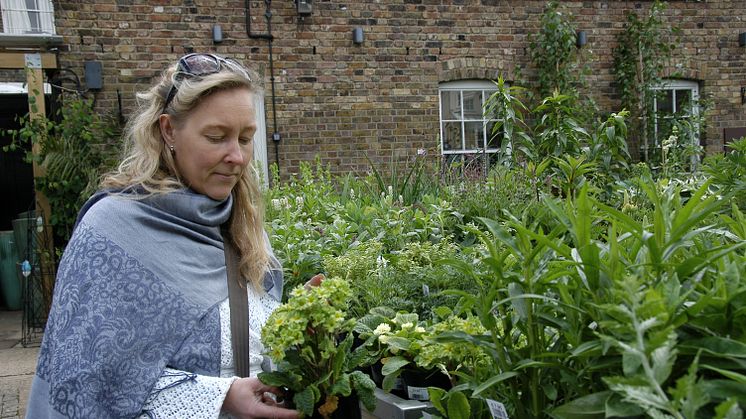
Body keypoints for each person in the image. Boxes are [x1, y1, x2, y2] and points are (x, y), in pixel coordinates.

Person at [26, 53, 301, 418]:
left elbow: (253, 347)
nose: (237, 156)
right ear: (169, 130)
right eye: (216, 137)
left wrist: (297, 323)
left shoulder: (243, 226)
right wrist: (221, 397)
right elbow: (81, 384)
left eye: (246, 138)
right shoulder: (111, 234)